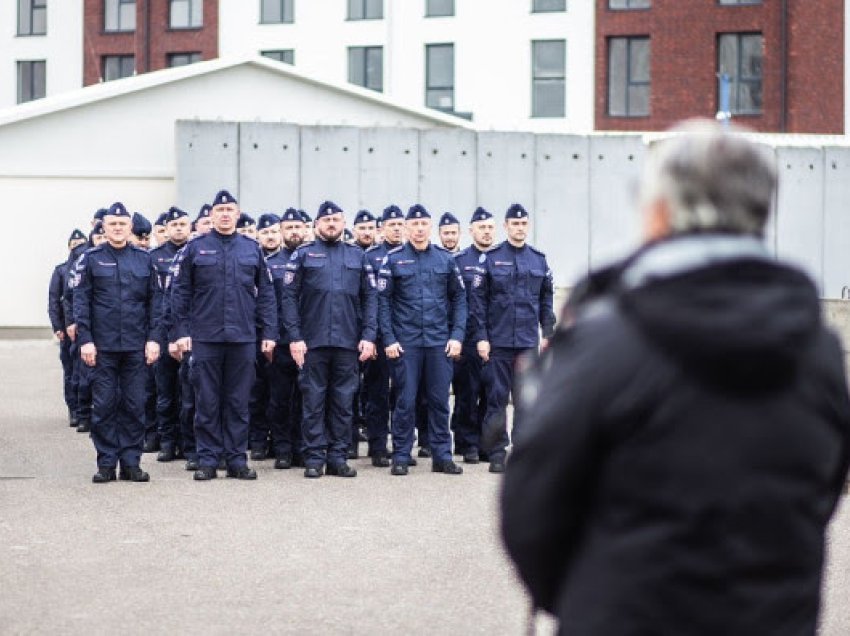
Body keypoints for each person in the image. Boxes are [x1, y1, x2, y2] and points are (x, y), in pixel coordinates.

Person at [501, 119, 850, 634]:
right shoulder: (819, 351)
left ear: (660, 211)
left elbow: (533, 502)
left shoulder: (608, 342)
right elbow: (823, 489)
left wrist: (582, 596)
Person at [170, 190, 278, 481]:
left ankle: (235, 460)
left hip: (242, 337)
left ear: (238, 213)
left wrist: (269, 332)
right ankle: (207, 459)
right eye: (220, 210)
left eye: (230, 209)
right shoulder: (195, 249)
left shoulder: (250, 248)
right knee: (206, 400)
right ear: (212, 215)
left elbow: (266, 293)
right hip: (205, 337)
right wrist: (180, 332)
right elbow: (180, 292)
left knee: (238, 401)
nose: (225, 214)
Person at [282, 201, 376, 478]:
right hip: (312, 342)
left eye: (336, 219)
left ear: (344, 223)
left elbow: (370, 298)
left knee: (343, 403)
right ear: (316, 224)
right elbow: (288, 298)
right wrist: (295, 337)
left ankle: (337, 457)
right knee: (313, 402)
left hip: (348, 342)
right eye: (326, 220)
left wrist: (369, 336)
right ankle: (314, 458)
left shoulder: (358, 256)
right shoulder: (303, 255)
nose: (331, 224)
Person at [73, 202, 161, 483]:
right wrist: (85, 340)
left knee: (135, 405)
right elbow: (81, 302)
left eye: (123, 224)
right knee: (105, 406)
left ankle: (132, 462)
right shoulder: (91, 258)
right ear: (104, 227)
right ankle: (107, 463)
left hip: (136, 346)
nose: (118, 228)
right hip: (103, 347)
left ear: (130, 227)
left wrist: (154, 339)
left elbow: (156, 303)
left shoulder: (144, 259)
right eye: (112, 224)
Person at [377, 204, 467, 476]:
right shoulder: (393, 260)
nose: (418, 229)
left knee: (439, 401)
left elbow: (460, 298)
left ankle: (442, 455)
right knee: (405, 401)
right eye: (413, 225)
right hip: (407, 343)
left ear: (430, 228)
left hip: (439, 342)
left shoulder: (445, 259)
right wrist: (389, 339)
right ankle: (402, 456)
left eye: (423, 224)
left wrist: (457, 335)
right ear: (406, 228)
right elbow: (383, 303)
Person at [471, 203, 555, 473]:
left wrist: (548, 333)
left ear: (527, 226)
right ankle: (496, 453)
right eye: (514, 224)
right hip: (498, 342)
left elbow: (546, 299)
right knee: (496, 399)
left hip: (527, 343)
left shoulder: (538, 260)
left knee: (525, 399)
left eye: (523, 224)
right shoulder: (491, 258)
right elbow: (478, 303)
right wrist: (481, 337)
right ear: (506, 226)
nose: (519, 228)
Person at [451, 207, 496, 463]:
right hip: (468, 338)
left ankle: (486, 443)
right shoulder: (459, 261)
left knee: (492, 393)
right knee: (467, 392)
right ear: (471, 231)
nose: (486, 232)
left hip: (495, 337)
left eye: (490, 227)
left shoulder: (501, 257)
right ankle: (467, 443)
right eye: (482, 228)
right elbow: (452, 301)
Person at [149, 206, 191, 462]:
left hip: (189, 335)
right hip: (164, 334)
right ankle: (167, 441)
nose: (177, 229)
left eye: (182, 225)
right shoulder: (153, 257)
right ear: (165, 229)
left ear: (190, 228)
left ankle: (188, 443)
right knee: (165, 394)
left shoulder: (195, 253)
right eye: (172, 225)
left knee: (190, 395)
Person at [266, 208, 307, 469]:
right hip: (281, 342)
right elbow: (266, 305)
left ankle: (303, 447)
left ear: (306, 229)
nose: (293, 231)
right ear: (281, 231)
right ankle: (282, 448)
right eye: (288, 227)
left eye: (298, 227)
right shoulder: (270, 264)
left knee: (308, 398)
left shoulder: (314, 259)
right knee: (280, 397)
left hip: (309, 340)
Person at [48, 229, 87, 426]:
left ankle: (85, 409)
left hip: (83, 329)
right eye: (74, 243)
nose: (77, 246)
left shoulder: (86, 266)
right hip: (67, 329)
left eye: (81, 242)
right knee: (71, 371)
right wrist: (58, 327)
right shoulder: (61, 270)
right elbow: (55, 301)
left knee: (83, 372)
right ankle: (74, 408)